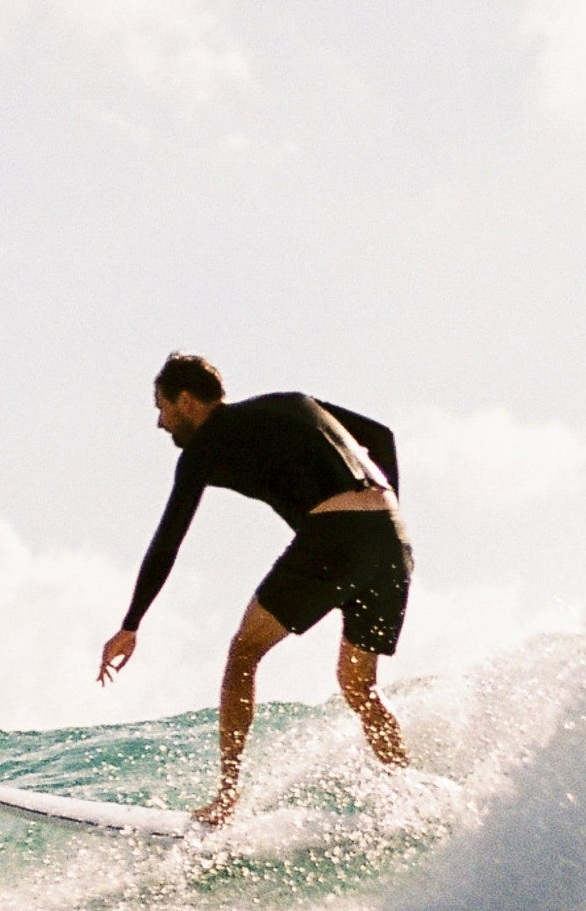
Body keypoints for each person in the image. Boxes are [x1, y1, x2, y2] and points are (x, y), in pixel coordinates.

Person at [97, 353, 414, 828]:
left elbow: (168, 540)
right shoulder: (293, 401)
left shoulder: (202, 449)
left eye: (161, 407)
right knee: (358, 685)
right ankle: (409, 795)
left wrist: (131, 624)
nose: (160, 423)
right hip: (392, 538)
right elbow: (382, 436)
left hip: (336, 535)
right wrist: (377, 520)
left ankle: (225, 800)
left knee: (244, 652)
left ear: (187, 400)